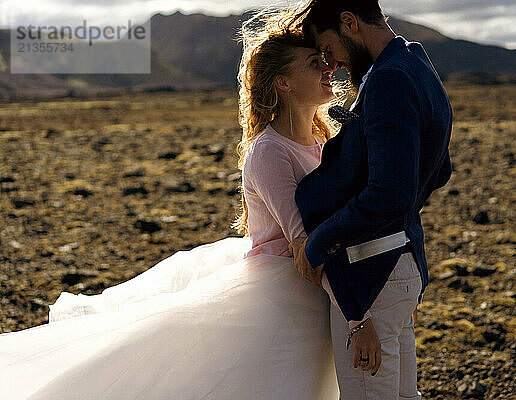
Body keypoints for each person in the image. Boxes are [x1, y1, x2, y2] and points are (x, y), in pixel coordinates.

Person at [0, 9, 345, 399]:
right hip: (285, 294)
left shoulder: (324, 142)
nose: (329, 68)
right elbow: (302, 243)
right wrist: (362, 308)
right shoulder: (269, 151)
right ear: (283, 82)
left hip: (312, 291)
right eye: (315, 63)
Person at [286, 1, 454, 399]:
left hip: (373, 272)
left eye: (329, 49)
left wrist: (317, 244)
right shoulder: (418, 64)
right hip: (404, 262)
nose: (334, 64)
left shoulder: (388, 80)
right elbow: (439, 168)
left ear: (349, 22)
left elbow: (389, 192)